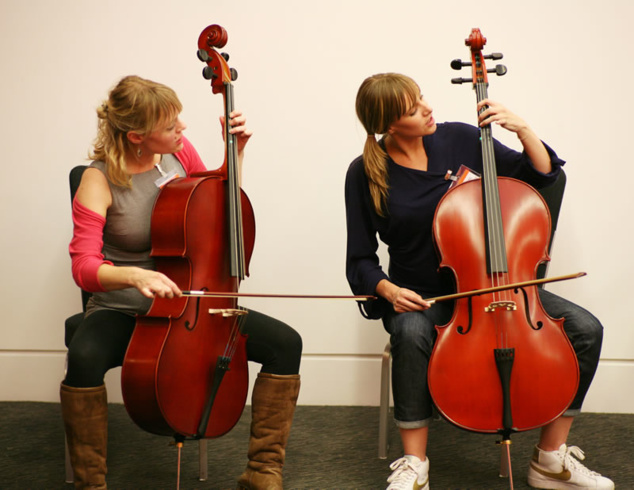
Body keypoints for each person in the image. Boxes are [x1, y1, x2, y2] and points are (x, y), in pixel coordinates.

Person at [345, 72, 614, 490]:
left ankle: (549, 459)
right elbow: (360, 258)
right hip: (422, 295)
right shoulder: (366, 172)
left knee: (585, 328)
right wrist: (388, 290)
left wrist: (523, 129)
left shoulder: (462, 139)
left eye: (422, 98)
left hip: (496, 285)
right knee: (412, 333)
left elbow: (540, 177)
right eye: (413, 109)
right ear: (389, 125)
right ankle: (414, 465)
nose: (427, 108)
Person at [63, 75, 302, 489]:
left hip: (191, 303)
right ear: (137, 135)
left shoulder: (176, 155)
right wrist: (134, 275)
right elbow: (83, 266)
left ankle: (263, 471)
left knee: (286, 343)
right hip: (126, 308)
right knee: (83, 356)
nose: (183, 130)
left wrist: (236, 154)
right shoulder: (97, 180)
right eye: (171, 125)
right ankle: (91, 483)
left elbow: (215, 204)